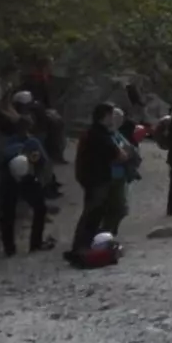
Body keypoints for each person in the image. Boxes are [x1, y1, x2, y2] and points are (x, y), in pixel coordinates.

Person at [68, 103, 120, 262]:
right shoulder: (100, 135)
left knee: (94, 213)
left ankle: (86, 244)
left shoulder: (92, 133)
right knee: (92, 213)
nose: (113, 118)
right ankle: (81, 247)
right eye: (111, 115)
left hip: (91, 177)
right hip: (97, 178)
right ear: (105, 116)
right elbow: (119, 154)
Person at [0, 116, 53, 256]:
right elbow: (44, 162)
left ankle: (10, 247)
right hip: (21, 179)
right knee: (36, 209)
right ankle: (33, 243)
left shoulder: (11, 143)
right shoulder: (30, 142)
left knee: (9, 214)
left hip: (14, 180)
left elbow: (43, 161)